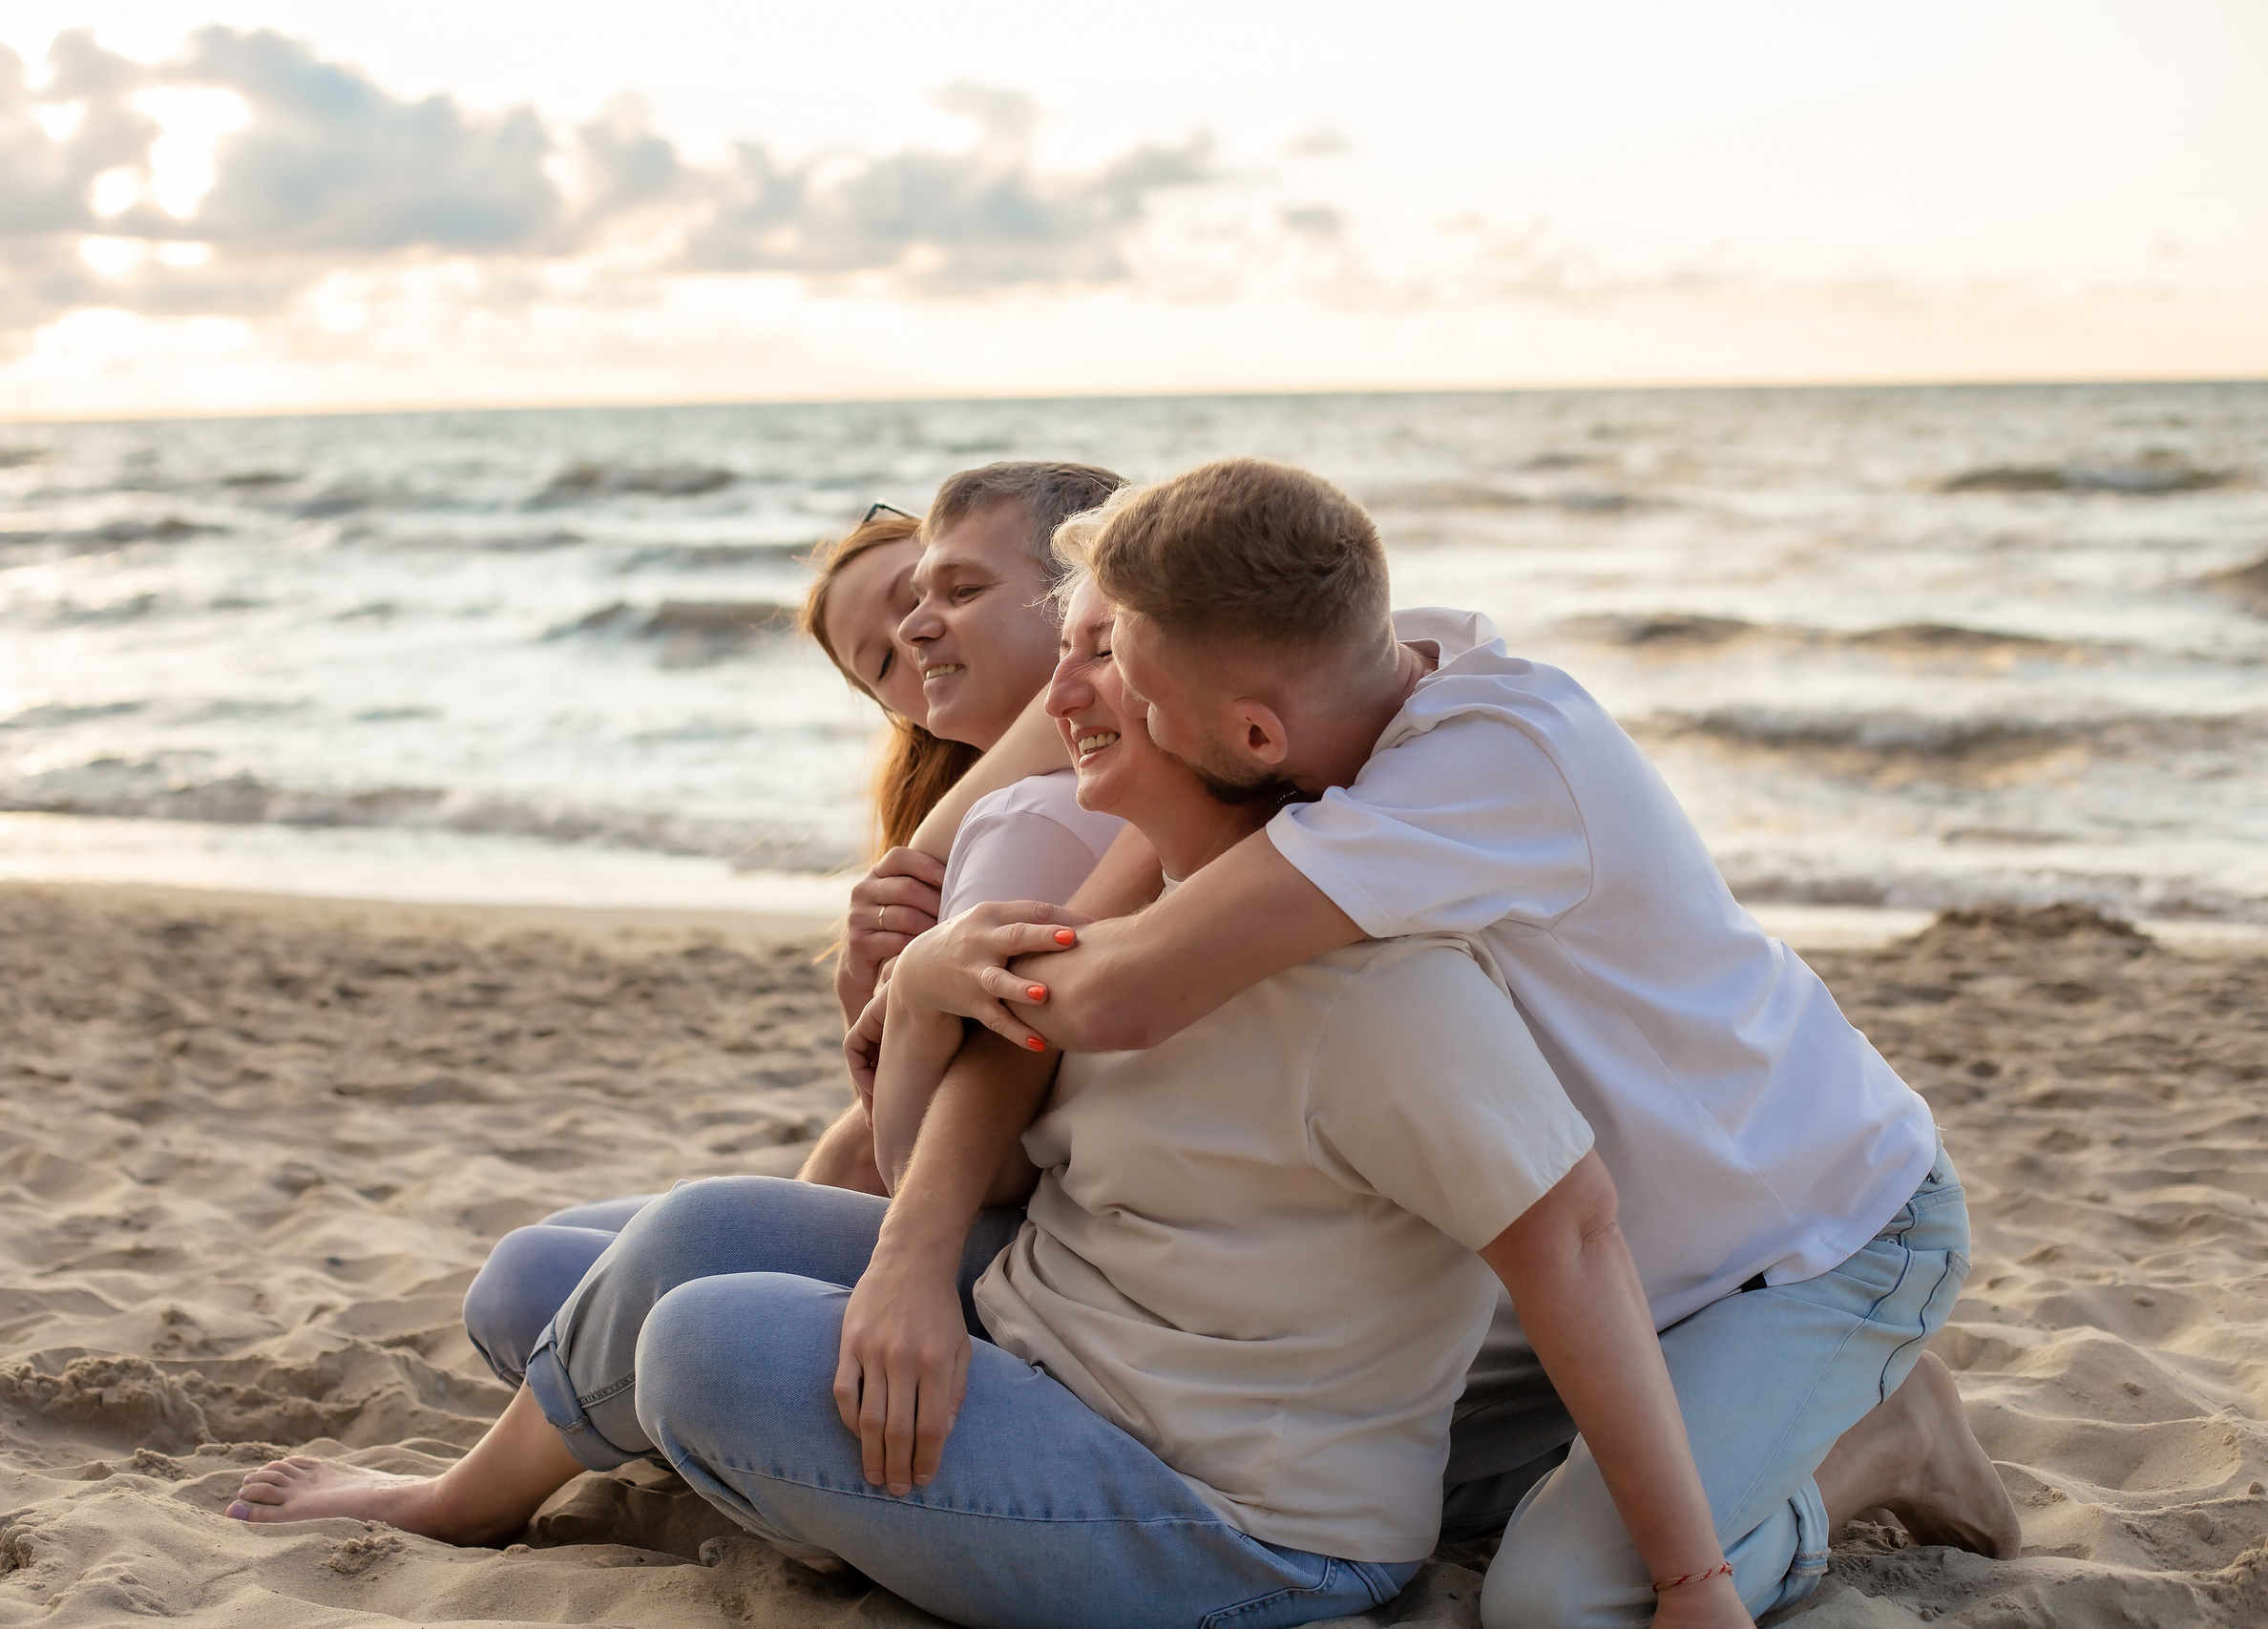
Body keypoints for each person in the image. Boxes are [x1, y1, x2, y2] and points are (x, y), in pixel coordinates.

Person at [228, 573, 1754, 1629]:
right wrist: (928, 986)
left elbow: (1574, 1241)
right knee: (612, 1262)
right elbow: (916, 1162)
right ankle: (540, 1484)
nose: (1061, 695)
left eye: (1107, 662)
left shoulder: (1380, 992)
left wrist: (1690, 1580)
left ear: (1239, 728)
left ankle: (497, 1494)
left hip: (1243, 1518)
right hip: (1053, 1342)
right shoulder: (1107, 908)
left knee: (694, 1338)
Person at [864, 460, 2020, 1627]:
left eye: (1127, 679)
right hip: (1586, 1266)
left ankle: (1886, 1437)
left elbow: (1119, 990)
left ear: (1254, 731)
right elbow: (1095, 944)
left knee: (1563, 1603)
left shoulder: (1478, 769)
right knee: (1385, 1472)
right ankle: (1698, 1450)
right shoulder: (1341, 678)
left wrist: (935, 969)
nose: (1084, 699)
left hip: (1808, 1237)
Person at [233, 463, 1127, 1493]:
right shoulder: (976, 832)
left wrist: (898, 1008)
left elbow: (943, 1150)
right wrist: (873, 1003)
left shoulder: (1031, 816)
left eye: (942, 591)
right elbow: (908, 1121)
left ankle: (547, 1474)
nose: (919, 630)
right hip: (945, 1195)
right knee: (538, 1271)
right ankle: (694, 1435)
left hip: (991, 1238)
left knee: (620, 1279)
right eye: (882, 649)